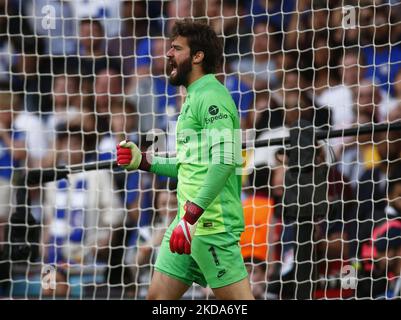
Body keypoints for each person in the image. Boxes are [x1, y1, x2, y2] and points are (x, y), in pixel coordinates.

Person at [116, 19, 254, 300]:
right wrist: (144, 161)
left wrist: (191, 217)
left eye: (176, 48)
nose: (168, 54)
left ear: (197, 56)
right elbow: (187, 166)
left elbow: (226, 160)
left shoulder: (213, 96)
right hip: (185, 226)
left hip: (210, 226)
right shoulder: (192, 97)